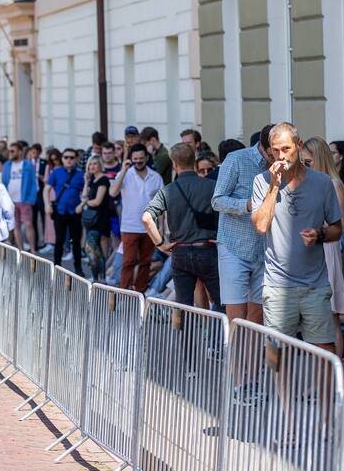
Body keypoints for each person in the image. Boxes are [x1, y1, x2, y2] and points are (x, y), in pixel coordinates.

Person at [251, 123, 344, 352]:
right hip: (277, 285)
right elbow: (261, 226)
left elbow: (337, 229)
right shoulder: (262, 182)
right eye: (275, 150)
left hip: (315, 283)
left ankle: (325, 390)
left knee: (324, 350)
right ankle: (285, 391)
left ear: (299, 146)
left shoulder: (322, 183)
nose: (280, 156)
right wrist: (274, 185)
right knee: (277, 353)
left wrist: (319, 234)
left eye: (285, 149)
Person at [142, 142, 221, 307]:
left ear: (174, 165)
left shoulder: (168, 190)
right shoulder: (212, 186)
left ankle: (186, 333)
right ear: (194, 162)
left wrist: (160, 244)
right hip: (207, 248)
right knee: (221, 301)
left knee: (183, 304)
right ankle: (216, 332)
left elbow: (147, 218)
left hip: (180, 250)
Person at [213, 125, 273, 328]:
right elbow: (217, 200)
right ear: (264, 147)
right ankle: (236, 361)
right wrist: (247, 204)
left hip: (265, 248)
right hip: (233, 246)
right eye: (274, 153)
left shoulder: (285, 165)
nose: (279, 158)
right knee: (237, 319)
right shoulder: (236, 160)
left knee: (257, 317)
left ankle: (252, 360)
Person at [303, 137, 344, 359]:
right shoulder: (312, 183)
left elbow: (339, 224)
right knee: (314, 320)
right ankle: (322, 378)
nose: (305, 166)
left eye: (308, 162)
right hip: (313, 250)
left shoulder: (333, 184)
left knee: (329, 315)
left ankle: (333, 377)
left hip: (326, 248)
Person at [111, 143, 163, 292]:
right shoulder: (125, 174)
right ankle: (124, 293)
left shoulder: (156, 177)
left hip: (150, 227)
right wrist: (123, 169)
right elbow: (113, 192)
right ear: (131, 159)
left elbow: (161, 203)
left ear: (147, 157)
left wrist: (161, 226)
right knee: (128, 262)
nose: (138, 161)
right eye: (135, 158)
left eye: (141, 158)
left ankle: (140, 293)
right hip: (129, 226)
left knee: (145, 262)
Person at [48, 148, 85, 274]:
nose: (69, 160)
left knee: (76, 241)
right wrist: (48, 204)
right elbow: (46, 189)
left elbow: (86, 192)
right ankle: (56, 266)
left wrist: (82, 204)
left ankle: (78, 268)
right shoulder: (56, 172)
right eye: (66, 157)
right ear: (62, 159)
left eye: (71, 157)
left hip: (75, 212)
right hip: (60, 211)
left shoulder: (81, 174)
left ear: (76, 159)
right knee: (59, 240)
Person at [77, 157, 112, 280]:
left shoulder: (103, 180)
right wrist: (86, 181)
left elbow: (97, 202)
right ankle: (97, 277)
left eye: (95, 164)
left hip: (100, 219)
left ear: (100, 165)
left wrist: (84, 203)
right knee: (94, 250)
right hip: (91, 220)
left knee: (92, 249)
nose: (92, 166)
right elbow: (84, 195)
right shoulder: (92, 179)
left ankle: (100, 278)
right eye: (90, 164)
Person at [2, 142, 38, 252]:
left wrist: (31, 199)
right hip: (11, 201)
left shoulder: (27, 165)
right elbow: (4, 183)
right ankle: (21, 250)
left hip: (24, 200)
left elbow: (33, 183)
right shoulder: (7, 165)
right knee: (16, 226)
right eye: (10, 151)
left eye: (13, 151)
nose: (10, 153)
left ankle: (33, 250)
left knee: (28, 224)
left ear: (20, 152)